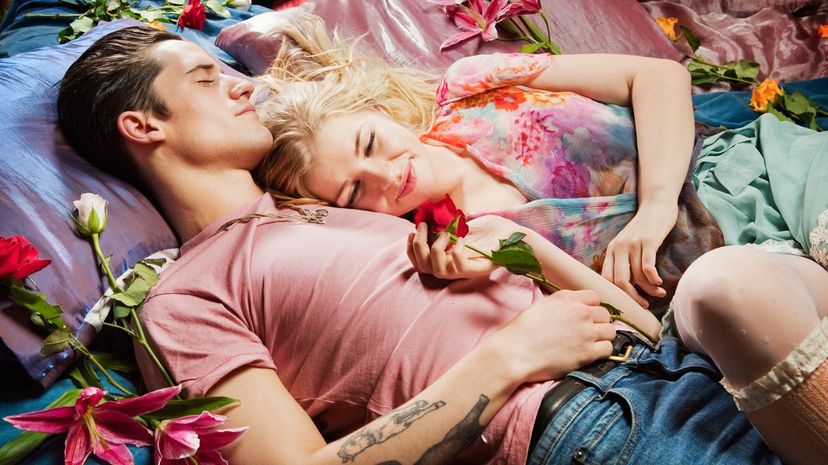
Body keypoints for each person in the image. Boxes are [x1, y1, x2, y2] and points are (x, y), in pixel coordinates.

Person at [58, 25, 789, 465]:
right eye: (206, 78)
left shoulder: (318, 207)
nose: (243, 88)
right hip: (579, 421)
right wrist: (508, 356)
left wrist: (529, 265)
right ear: (143, 126)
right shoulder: (186, 293)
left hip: (668, 366)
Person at [253, 14, 828, 464]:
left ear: (381, 112)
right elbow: (645, 332)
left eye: (370, 143)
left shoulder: (470, 87)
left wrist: (655, 207)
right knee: (737, 300)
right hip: (715, 281)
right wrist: (520, 249)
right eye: (355, 193)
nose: (385, 176)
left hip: (753, 174)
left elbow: (657, 75)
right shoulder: (466, 245)